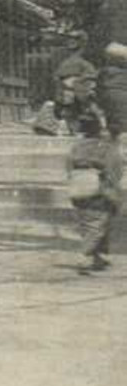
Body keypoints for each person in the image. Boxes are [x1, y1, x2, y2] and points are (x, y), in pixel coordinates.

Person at [66, 110, 122, 274]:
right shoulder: (105, 147)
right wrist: (113, 188)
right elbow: (114, 170)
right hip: (98, 190)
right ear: (99, 129)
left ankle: (97, 257)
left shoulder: (76, 146)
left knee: (88, 223)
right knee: (98, 225)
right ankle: (84, 256)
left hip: (78, 187)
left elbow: (68, 167)